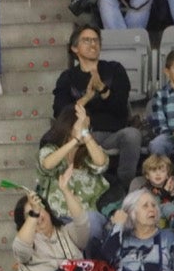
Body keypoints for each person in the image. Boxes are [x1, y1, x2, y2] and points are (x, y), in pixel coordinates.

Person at [54, 25, 142, 188]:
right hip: (83, 135)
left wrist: (102, 88)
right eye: (86, 40)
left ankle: (125, 187)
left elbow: (121, 106)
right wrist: (87, 97)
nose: (93, 44)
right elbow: (61, 112)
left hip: (113, 134)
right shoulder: (67, 78)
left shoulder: (115, 69)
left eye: (96, 40)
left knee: (132, 135)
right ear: (74, 48)